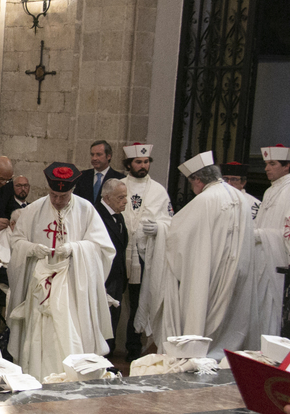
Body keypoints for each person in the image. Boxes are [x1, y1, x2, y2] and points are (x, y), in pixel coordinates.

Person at [137, 151, 255, 357]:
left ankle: (196, 352)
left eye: (191, 183)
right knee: (228, 319)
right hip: (236, 270)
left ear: (198, 179)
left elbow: (177, 237)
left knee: (201, 313)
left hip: (207, 272)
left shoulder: (205, 200)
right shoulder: (240, 197)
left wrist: (160, 230)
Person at [7, 162, 115, 380]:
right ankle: (36, 375)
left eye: (62, 196)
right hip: (40, 287)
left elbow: (103, 248)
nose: (57, 200)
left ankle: (72, 376)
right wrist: (32, 248)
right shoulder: (34, 209)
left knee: (70, 331)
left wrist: (75, 249)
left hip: (73, 288)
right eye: (53, 195)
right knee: (40, 333)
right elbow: (16, 242)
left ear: (72, 191)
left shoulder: (86, 210)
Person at [120, 142, 172, 361]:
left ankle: (134, 347)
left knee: (137, 300)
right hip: (119, 252)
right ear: (129, 164)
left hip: (143, 255)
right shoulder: (119, 185)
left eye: (146, 161)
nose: (143, 165)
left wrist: (159, 227)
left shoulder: (159, 191)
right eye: (138, 162)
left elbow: (170, 221)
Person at [250, 145, 290, 338]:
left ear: (286, 166)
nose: (266, 168)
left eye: (272, 164)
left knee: (274, 310)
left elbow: (287, 230)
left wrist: (263, 235)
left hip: (278, 261)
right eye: (266, 164)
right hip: (262, 258)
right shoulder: (270, 191)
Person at [95, 178, 129, 354]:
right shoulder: (97, 215)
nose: (125, 201)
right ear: (107, 198)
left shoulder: (118, 216)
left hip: (117, 277)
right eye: (120, 197)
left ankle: (109, 355)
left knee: (114, 319)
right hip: (104, 278)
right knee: (103, 320)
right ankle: (102, 356)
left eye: (125, 197)